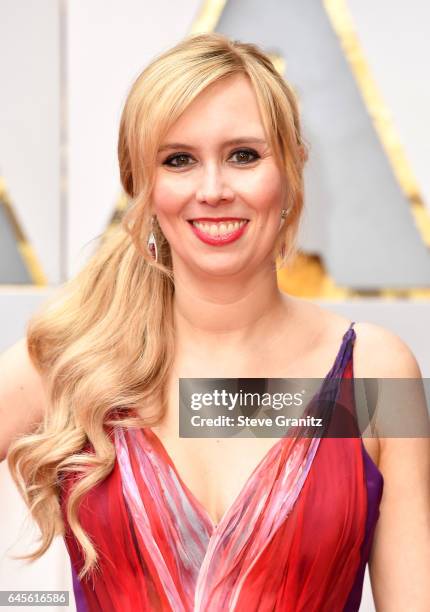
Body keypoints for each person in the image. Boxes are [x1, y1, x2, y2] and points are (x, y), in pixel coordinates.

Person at [1, 32, 429, 611]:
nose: (213, 190)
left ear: (293, 171)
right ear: (143, 187)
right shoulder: (75, 362)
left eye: (243, 155)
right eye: (179, 160)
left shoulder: (374, 374)